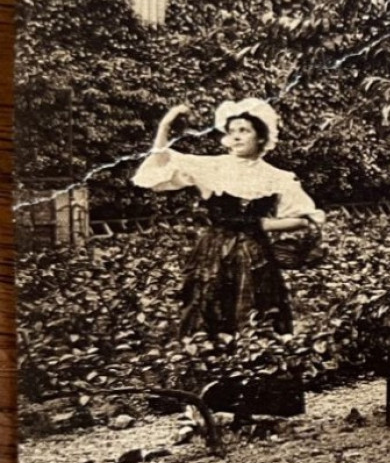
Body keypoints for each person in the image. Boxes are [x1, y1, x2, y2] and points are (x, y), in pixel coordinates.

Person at [133, 99, 324, 338]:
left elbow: (305, 219)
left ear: (261, 137)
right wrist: (165, 124)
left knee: (257, 311)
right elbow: (162, 160)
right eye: (231, 131)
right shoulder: (213, 168)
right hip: (214, 252)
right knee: (209, 308)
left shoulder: (277, 177)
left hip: (255, 253)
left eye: (244, 130)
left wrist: (262, 224)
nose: (235, 137)